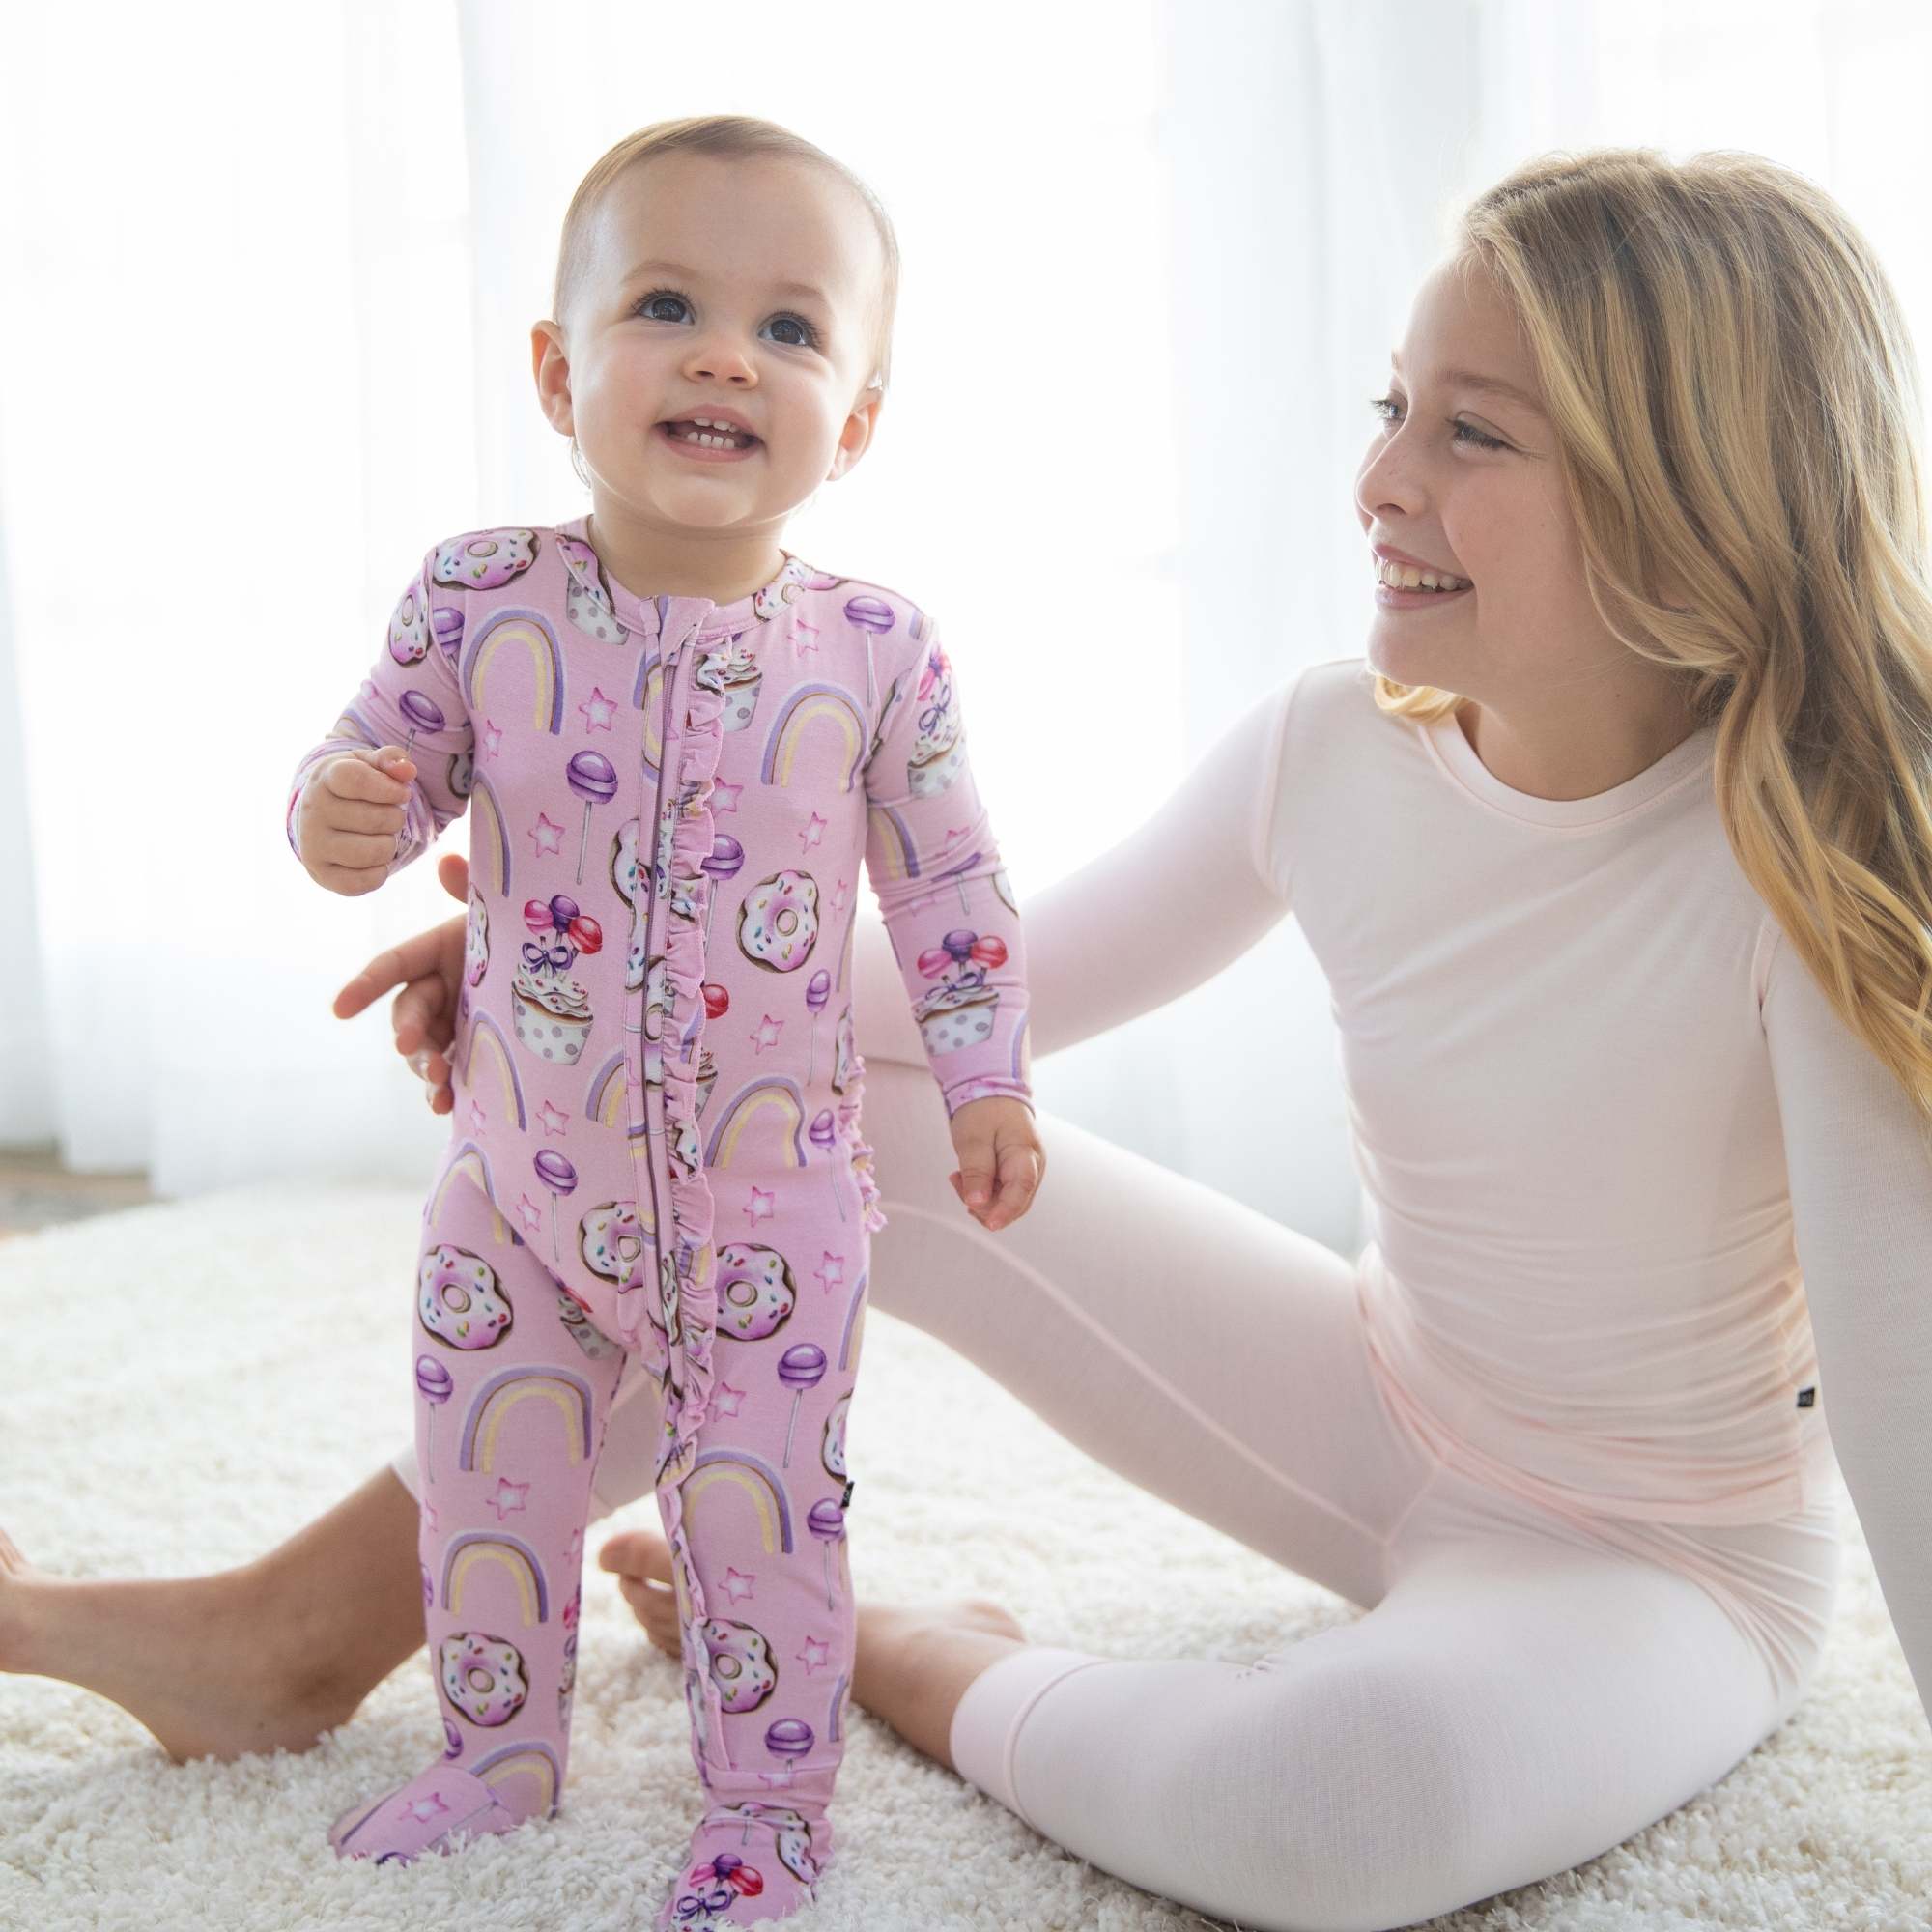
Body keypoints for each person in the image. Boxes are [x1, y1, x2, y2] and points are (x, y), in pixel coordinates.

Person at [6, 142, 1931, 1932]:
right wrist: (569, 962)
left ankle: (916, 1649)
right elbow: (942, 1009)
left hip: (1644, 1562)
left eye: (1471, 432)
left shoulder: (1803, 872)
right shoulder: (1328, 750)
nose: (1378, 481)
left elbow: (1913, 1416)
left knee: (1335, 1808)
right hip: (1368, 1401)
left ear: (1690, 489)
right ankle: (291, 1630)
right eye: (1389, 410)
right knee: (799, 1110)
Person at [281, 113, 1045, 1926]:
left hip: (769, 1209)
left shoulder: (879, 648)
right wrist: (338, 819)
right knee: (482, 1487)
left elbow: (951, 888)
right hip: (517, 1180)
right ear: (561, 372)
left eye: (792, 332)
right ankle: (493, 1751)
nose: (724, 354)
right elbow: (363, 770)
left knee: (764, 1520)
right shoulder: (480, 598)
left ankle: (767, 1805)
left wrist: (988, 1081)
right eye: (667, 305)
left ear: (853, 420)